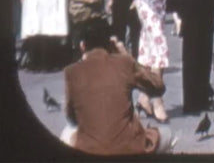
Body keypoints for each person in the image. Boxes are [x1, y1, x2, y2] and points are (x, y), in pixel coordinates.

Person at [62, 18, 174, 155]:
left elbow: (71, 117)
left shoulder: (72, 72)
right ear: (110, 43)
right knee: (166, 133)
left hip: (89, 149)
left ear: (82, 46)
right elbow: (158, 86)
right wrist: (126, 55)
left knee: (67, 133)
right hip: (130, 148)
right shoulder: (124, 63)